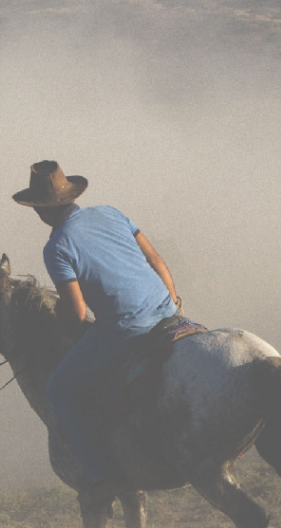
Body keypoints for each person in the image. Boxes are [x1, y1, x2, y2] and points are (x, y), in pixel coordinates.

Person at [13, 160, 180, 508]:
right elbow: (157, 260)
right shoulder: (111, 213)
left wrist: (56, 314)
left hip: (127, 328)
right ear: (72, 196)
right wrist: (172, 298)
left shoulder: (57, 245)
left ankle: (101, 478)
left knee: (59, 389)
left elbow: (76, 312)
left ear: (41, 212)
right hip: (168, 312)